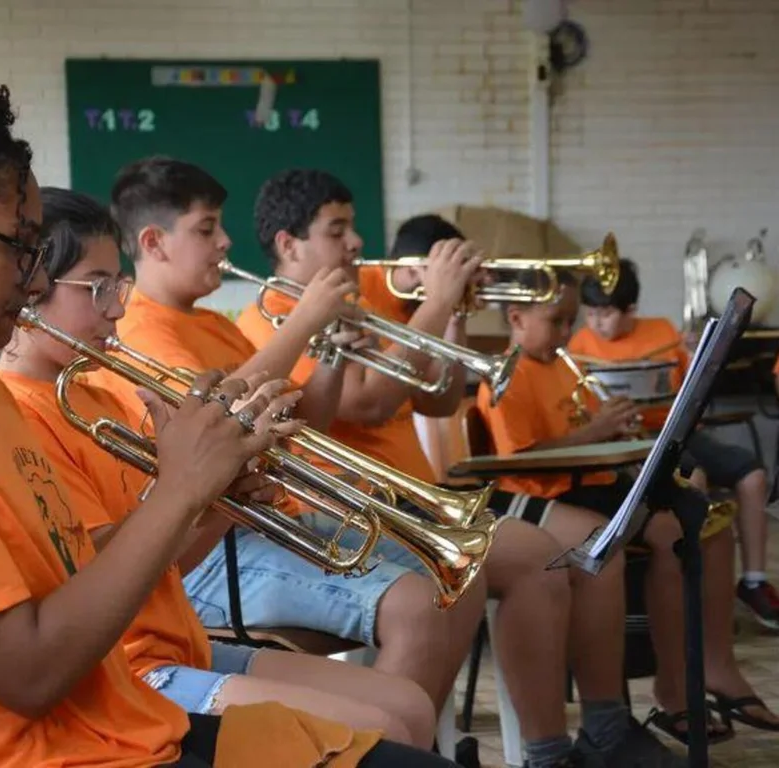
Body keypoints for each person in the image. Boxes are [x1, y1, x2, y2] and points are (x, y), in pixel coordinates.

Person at [0, 19, 456, 768]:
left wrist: (208, 494)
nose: (35, 279)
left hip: (121, 729)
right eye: (21, 244)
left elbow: (68, 566)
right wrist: (177, 493)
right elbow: (28, 671)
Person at [240, 184, 685, 768]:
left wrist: (454, 318)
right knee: (539, 561)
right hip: (356, 503)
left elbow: (438, 400)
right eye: (337, 229)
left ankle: (577, 735)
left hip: (418, 495)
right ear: (288, 245)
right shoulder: (270, 320)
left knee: (561, 554)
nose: (356, 242)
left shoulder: (359, 300)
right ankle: (540, 750)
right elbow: (369, 404)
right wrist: (437, 302)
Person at [0, 186, 439, 748]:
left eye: (119, 286)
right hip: (123, 670)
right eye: (97, 288)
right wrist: (191, 491)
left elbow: (167, 564)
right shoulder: (19, 414)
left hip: (176, 641)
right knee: (383, 730)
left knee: (410, 707)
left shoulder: (98, 397)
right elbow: (96, 576)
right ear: (32, 291)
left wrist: (225, 501)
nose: (117, 308)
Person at [96, 155, 487, 754]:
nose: (225, 242)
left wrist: (329, 351)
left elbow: (309, 420)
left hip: (263, 521)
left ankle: (412, 746)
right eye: (206, 229)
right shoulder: (144, 330)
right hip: (208, 549)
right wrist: (304, 322)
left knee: (449, 578)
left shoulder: (217, 326)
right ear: (154, 242)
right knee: (412, 604)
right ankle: (391, 753)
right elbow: (215, 420)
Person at [478, 266, 779, 745]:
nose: (565, 334)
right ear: (516, 318)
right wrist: (595, 433)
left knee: (710, 525)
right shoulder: (508, 375)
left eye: (569, 322)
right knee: (670, 533)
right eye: (557, 321)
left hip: (592, 480)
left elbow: (582, 431)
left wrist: (616, 427)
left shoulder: (558, 365)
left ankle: (719, 668)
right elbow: (518, 457)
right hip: (547, 495)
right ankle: (673, 690)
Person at [570, 258, 778, 630]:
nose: (596, 323)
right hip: (632, 440)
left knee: (753, 474)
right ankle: (693, 587)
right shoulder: (580, 345)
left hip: (676, 429)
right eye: (591, 314)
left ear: (631, 309)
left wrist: (699, 353)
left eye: (605, 314)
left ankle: (754, 581)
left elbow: (697, 388)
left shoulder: (662, 332)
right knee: (691, 478)